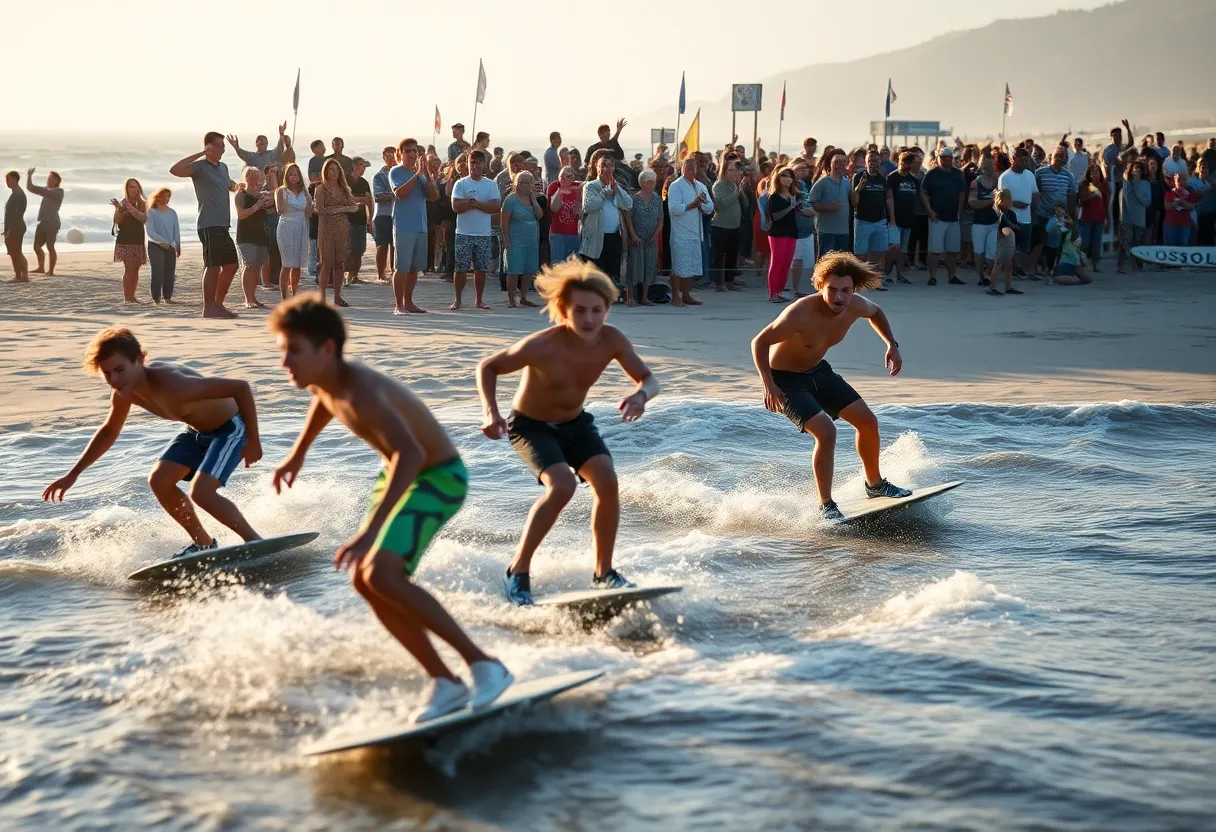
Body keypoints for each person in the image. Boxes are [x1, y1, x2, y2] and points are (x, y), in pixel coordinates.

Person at [268, 296, 512, 722]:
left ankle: (484, 664)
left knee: (383, 573)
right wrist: (298, 453)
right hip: (402, 473)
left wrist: (369, 532)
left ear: (327, 349)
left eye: (294, 351)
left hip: (438, 478)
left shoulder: (362, 391)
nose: (285, 362)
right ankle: (445, 682)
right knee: (365, 581)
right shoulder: (327, 380)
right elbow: (323, 402)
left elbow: (411, 453)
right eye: (282, 350)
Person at [477, 260, 659, 606]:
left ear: (607, 309)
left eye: (597, 310)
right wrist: (491, 412)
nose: (589, 319)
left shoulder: (611, 339)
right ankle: (518, 570)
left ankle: (604, 573)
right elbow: (489, 366)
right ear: (563, 311)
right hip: (531, 427)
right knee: (562, 486)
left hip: (575, 424)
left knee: (607, 480)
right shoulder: (542, 345)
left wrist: (640, 396)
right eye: (580, 310)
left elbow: (649, 379)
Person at [43, 327, 263, 558]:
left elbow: (240, 387)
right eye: (107, 373)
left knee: (202, 493)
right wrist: (73, 474)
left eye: (120, 370)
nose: (114, 380)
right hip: (196, 432)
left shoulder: (175, 383)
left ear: (139, 360)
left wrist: (254, 441)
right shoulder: (124, 393)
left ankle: (255, 543)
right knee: (159, 480)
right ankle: (204, 545)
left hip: (230, 429)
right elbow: (109, 432)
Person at [750, 252, 911, 522]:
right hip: (785, 380)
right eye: (832, 289)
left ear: (853, 290)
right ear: (820, 286)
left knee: (868, 422)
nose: (839, 297)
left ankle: (875, 485)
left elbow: (876, 312)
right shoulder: (800, 313)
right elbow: (759, 342)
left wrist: (891, 345)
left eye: (846, 290)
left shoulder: (856, 305)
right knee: (826, 432)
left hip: (818, 372)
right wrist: (768, 384)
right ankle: (826, 505)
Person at [170, 132, 240, 318]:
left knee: (232, 264)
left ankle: (218, 304)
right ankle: (208, 308)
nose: (223, 149)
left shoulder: (223, 167)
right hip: (209, 224)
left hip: (223, 225)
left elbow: (231, 186)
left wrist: (248, 187)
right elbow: (175, 169)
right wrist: (201, 153)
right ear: (210, 147)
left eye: (223, 146)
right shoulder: (198, 167)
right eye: (220, 146)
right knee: (213, 266)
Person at [387, 138, 439, 314]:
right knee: (402, 267)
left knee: (413, 269)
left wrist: (427, 176)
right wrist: (416, 175)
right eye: (408, 151)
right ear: (400, 153)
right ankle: (398, 305)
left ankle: (408, 302)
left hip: (420, 226)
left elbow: (433, 196)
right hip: (404, 227)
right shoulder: (396, 171)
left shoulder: (421, 174)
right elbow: (400, 193)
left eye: (414, 150)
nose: (412, 154)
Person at [450, 150, 500, 310]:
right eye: (472, 162)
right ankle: (457, 300)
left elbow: (495, 207)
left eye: (479, 162)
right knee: (461, 268)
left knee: (481, 269)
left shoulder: (490, 184)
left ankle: (479, 300)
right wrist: (474, 204)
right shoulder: (461, 184)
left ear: (484, 164)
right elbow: (456, 206)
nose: (475, 166)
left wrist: (476, 204)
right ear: (468, 164)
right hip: (463, 233)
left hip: (483, 233)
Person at [580, 152, 633, 290]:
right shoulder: (590, 186)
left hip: (614, 236)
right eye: (603, 165)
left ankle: (609, 296)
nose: (606, 169)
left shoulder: (616, 187)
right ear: (596, 168)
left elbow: (628, 204)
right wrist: (604, 192)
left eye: (610, 165)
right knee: (595, 275)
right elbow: (589, 206)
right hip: (596, 237)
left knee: (612, 274)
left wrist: (617, 189)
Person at [665, 157, 712, 307]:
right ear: (682, 169)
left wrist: (702, 204)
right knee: (679, 266)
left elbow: (710, 207)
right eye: (688, 168)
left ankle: (686, 294)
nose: (691, 171)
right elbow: (673, 209)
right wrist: (692, 205)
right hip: (680, 233)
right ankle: (675, 296)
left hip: (695, 232)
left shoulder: (700, 186)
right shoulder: (676, 186)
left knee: (690, 266)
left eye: (693, 168)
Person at [919, 147, 968, 285]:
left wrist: (960, 212)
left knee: (952, 250)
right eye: (943, 157)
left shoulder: (958, 174)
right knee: (934, 250)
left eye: (949, 157)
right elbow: (923, 192)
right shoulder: (931, 174)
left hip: (953, 218)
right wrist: (929, 210)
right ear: (938, 158)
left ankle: (952, 276)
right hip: (937, 218)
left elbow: (962, 193)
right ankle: (933, 276)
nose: (947, 160)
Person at [314, 159, 359, 307]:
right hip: (326, 228)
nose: (334, 172)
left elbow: (354, 206)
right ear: (325, 171)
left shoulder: (344, 188)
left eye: (336, 169)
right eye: (331, 169)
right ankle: (321, 297)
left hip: (342, 228)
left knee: (340, 264)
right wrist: (342, 209)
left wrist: (347, 208)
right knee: (326, 264)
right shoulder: (320, 189)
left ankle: (337, 296)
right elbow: (320, 210)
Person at [1030, 147, 1078, 276]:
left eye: (1062, 156)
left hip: (1058, 215)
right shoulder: (1040, 173)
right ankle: (1033, 269)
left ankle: (1049, 269)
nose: (1060, 158)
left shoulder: (1068, 175)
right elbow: (1034, 191)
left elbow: (1072, 194)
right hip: (1042, 213)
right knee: (1039, 243)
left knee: (1054, 242)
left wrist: (1071, 215)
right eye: (1057, 155)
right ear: (1051, 156)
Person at [500, 169, 543, 308]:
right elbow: (504, 222)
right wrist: (506, 239)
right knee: (514, 269)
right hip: (515, 240)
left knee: (528, 270)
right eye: (521, 182)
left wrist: (534, 200)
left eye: (528, 182)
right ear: (516, 183)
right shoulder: (510, 199)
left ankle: (524, 297)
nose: (524, 184)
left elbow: (539, 215)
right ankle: (511, 298)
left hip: (531, 240)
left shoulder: (532, 198)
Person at [850, 150, 894, 279]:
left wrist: (891, 219)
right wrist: (858, 190)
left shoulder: (883, 178)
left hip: (880, 221)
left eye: (875, 161)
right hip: (862, 221)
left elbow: (889, 197)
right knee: (860, 254)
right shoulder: (858, 177)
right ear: (866, 162)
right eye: (870, 161)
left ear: (879, 162)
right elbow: (853, 203)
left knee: (879, 253)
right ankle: (860, 280)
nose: (872, 163)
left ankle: (877, 280)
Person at [623, 168, 663, 305]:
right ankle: (630, 297)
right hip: (637, 237)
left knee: (649, 266)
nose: (652, 185)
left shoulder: (657, 199)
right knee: (634, 266)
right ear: (642, 183)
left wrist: (656, 234)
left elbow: (661, 219)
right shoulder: (634, 199)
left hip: (651, 238)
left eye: (653, 182)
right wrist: (633, 234)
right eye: (649, 182)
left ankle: (645, 298)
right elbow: (628, 217)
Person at [997, 147, 1039, 277]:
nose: (1024, 161)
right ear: (1013, 159)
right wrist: (1015, 203)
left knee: (1023, 247)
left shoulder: (1030, 175)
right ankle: (1011, 271)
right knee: (1010, 247)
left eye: (1026, 158)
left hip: (1026, 217)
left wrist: (1034, 208)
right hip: (1010, 218)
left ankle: (1020, 269)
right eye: (1020, 158)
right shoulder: (1005, 177)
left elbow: (1035, 194)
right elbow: (1001, 200)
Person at [234, 166, 272, 309]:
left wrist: (268, 201)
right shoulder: (241, 195)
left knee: (257, 267)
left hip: (260, 234)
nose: (255, 179)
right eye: (252, 176)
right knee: (249, 266)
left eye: (257, 176)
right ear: (246, 178)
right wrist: (257, 206)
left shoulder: (260, 195)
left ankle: (253, 297)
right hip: (246, 235)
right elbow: (241, 215)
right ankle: (247, 299)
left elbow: (271, 209)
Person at [275, 163, 312, 300]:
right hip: (286, 226)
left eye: (295, 174)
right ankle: (284, 297)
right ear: (286, 176)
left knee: (297, 265)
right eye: (290, 174)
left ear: (299, 176)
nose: (293, 176)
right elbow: (280, 210)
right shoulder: (281, 191)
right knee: (287, 264)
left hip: (301, 226)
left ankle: (294, 293)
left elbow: (308, 214)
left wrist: (309, 202)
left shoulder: (304, 192)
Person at [710, 157, 747, 292]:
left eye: (736, 170)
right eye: (731, 170)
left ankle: (729, 281)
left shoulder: (734, 186)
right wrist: (737, 190)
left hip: (734, 226)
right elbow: (722, 204)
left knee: (732, 255)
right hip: (721, 226)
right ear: (724, 171)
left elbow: (745, 204)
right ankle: (719, 283)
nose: (734, 172)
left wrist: (740, 190)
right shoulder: (719, 185)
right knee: (719, 256)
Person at [765, 166, 801, 303]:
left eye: (790, 176)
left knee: (786, 264)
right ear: (778, 178)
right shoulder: (774, 197)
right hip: (778, 234)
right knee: (777, 263)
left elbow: (799, 211)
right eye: (784, 175)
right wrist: (790, 207)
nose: (787, 179)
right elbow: (775, 217)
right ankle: (772, 293)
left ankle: (779, 291)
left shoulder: (793, 195)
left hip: (791, 233)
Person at [111, 178, 148, 303]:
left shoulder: (142, 203)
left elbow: (143, 218)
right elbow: (117, 221)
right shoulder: (123, 203)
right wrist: (119, 209)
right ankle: (127, 298)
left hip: (138, 239)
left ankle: (132, 296)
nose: (133, 189)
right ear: (126, 189)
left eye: (135, 186)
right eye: (130, 187)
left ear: (139, 189)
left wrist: (130, 209)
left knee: (136, 269)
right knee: (129, 268)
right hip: (125, 240)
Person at [886, 151, 919, 285]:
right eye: (903, 162)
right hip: (894, 220)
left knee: (903, 250)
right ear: (899, 162)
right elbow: (888, 198)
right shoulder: (892, 178)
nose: (905, 165)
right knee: (893, 248)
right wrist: (891, 219)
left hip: (908, 220)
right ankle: (887, 274)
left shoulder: (914, 180)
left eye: (908, 163)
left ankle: (900, 274)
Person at [810, 151, 851, 256]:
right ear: (830, 164)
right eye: (837, 162)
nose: (840, 165)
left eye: (843, 162)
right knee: (825, 262)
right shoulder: (822, 183)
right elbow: (811, 204)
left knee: (841, 262)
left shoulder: (847, 183)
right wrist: (827, 207)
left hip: (843, 232)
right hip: (826, 232)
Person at [145, 188, 181, 304]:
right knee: (157, 271)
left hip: (170, 245)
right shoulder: (151, 212)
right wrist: (161, 242)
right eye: (164, 196)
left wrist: (177, 245)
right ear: (158, 197)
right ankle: (156, 298)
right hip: (155, 245)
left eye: (168, 196)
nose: (166, 198)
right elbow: (150, 231)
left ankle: (167, 297)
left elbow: (176, 230)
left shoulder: (172, 212)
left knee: (170, 272)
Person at [26, 168, 64, 276]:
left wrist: (38, 189)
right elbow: (30, 188)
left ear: (57, 182)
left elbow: (40, 190)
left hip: (52, 222)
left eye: (51, 179)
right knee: (36, 246)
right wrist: (29, 176)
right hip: (43, 221)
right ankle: (41, 268)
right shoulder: (47, 191)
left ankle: (51, 271)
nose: (49, 180)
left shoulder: (58, 191)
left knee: (50, 246)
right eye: (48, 178)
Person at [969, 155, 999, 284]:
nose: (989, 168)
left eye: (991, 164)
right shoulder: (976, 183)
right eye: (986, 165)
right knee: (979, 251)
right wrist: (992, 202)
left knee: (991, 252)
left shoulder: (999, 181)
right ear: (981, 166)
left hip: (995, 222)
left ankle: (989, 276)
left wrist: (984, 203)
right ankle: (980, 277)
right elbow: (973, 203)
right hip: (979, 223)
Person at [1117, 162, 1151, 273]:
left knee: (1138, 244)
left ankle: (1136, 266)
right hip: (1126, 219)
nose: (1136, 171)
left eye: (1139, 168)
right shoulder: (1126, 184)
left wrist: (1138, 194)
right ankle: (1120, 266)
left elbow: (1147, 202)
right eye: (1134, 168)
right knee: (1124, 244)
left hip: (1139, 219)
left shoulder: (1145, 184)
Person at [345, 157, 374, 285]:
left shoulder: (364, 182)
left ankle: (354, 275)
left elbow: (369, 201)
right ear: (354, 165)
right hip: (347, 219)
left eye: (364, 166)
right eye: (361, 165)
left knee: (360, 249)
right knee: (349, 249)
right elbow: (345, 198)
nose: (363, 168)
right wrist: (361, 200)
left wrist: (370, 218)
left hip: (361, 219)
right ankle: (346, 275)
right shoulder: (346, 180)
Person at [986, 189, 1021, 296]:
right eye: (1007, 199)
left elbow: (1017, 227)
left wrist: (1013, 226)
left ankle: (1008, 286)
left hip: (1009, 241)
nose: (1010, 201)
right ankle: (991, 287)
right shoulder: (997, 213)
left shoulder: (1011, 214)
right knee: (998, 263)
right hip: (1001, 241)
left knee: (1008, 265)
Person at [547, 166, 583, 265]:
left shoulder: (577, 188)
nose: (569, 178)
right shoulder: (553, 186)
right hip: (557, 233)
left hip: (574, 232)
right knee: (558, 263)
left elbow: (579, 211)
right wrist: (560, 189)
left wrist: (580, 209)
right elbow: (554, 208)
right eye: (564, 176)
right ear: (559, 177)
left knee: (574, 263)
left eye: (571, 175)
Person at [1077, 165, 1110, 266]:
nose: (1095, 173)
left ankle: (1095, 265)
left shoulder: (1104, 184)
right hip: (1085, 218)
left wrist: (1107, 218)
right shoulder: (1084, 185)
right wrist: (1093, 194)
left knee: (1097, 243)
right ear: (1089, 174)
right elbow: (1081, 201)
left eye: (1097, 171)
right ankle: (1081, 264)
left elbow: (1107, 203)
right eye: (1093, 171)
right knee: (1084, 242)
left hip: (1099, 218)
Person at [372, 146, 396, 282]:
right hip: (383, 214)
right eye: (388, 156)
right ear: (384, 158)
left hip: (397, 214)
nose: (391, 159)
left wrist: (391, 195)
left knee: (396, 245)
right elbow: (378, 196)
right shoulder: (379, 176)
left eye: (393, 156)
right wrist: (396, 194)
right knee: (382, 245)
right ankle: (381, 274)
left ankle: (395, 271)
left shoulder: (401, 173)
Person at [4, 171, 30, 283]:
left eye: (9, 179)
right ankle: (18, 276)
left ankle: (25, 276)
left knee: (17, 252)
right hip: (13, 226)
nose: (7, 182)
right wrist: (6, 229)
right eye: (6, 180)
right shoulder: (15, 193)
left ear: (15, 179)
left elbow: (16, 213)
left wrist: (9, 229)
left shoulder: (18, 194)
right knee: (13, 252)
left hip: (16, 226)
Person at [1162, 173, 1196, 247]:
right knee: (1170, 248)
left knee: (1184, 248)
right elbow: (1167, 206)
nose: (1181, 182)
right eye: (1179, 180)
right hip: (1170, 226)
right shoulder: (1169, 193)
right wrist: (1176, 202)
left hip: (1185, 226)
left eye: (1184, 180)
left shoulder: (1191, 194)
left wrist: (1182, 200)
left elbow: (1192, 206)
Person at [1189, 158, 1216, 246]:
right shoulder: (1192, 181)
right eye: (1202, 166)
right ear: (1197, 167)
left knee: (1210, 238)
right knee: (1199, 238)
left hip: (1211, 213)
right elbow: (1194, 195)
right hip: (1199, 214)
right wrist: (1208, 189)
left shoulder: (1210, 181)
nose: (1204, 169)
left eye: (1206, 167)